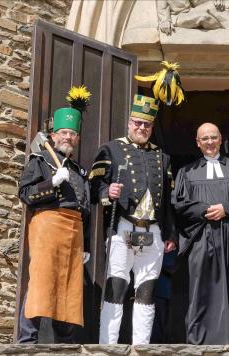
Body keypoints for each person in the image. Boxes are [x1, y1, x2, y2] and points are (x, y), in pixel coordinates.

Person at [90, 94, 176, 345]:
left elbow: (169, 200)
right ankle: (108, 344)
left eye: (146, 124)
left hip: (154, 231)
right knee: (116, 285)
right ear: (129, 123)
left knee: (147, 289)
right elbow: (93, 186)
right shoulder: (111, 149)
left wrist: (170, 233)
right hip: (123, 226)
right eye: (137, 122)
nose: (141, 128)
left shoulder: (163, 156)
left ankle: (142, 346)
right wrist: (107, 192)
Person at [172, 122, 229, 344]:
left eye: (214, 137)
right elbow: (178, 203)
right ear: (198, 143)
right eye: (205, 139)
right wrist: (205, 210)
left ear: (221, 139)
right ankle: (200, 341)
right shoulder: (186, 172)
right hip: (202, 238)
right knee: (201, 290)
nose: (210, 142)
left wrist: (226, 209)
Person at [18, 105, 90, 343]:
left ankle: (63, 342)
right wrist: (53, 184)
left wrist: (86, 243)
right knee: (42, 280)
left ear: (77, 138)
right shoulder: (40, 161)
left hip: (74, 229)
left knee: (70, 284)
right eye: (63, 132)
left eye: (72, 133)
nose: (68, 137)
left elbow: (85, 209)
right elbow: (26, 193)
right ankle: (27, 340)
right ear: (53, 136)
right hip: (48, 223)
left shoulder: (79, 170)